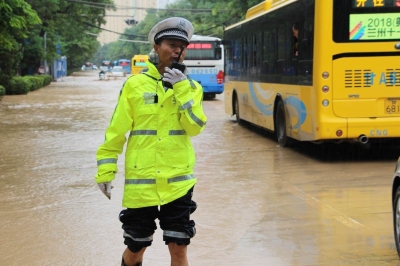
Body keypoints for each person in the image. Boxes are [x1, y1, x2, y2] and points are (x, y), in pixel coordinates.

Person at [95, 17, 207, 266]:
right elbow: (116, 132)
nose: (177, 50)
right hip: (141, 183)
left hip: (178, 183)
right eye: (171, 44)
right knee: (137, 245)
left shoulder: (192, 88)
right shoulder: (134, 85)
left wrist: (181, 90)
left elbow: (195, 127)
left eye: (182, 45)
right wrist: (105, 170)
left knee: (179, 247)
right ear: (156, 48)